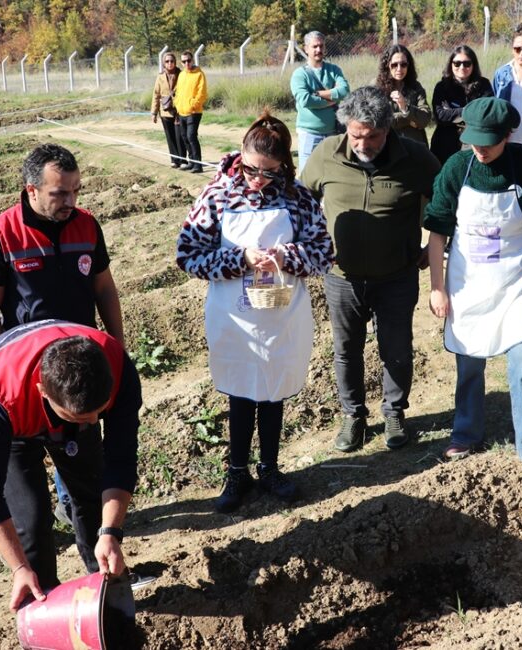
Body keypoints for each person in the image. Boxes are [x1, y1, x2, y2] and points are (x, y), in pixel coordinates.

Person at [175, 114, 334, 513]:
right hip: (234, 316)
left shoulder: (298, 199)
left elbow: (324, 254)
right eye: (250, 169)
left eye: (268, 172)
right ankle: (237, 471)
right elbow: (188, 255)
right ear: (240, 158)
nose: (258, 180)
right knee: (242, 393)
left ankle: (270, 468)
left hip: (281, 315)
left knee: (274, 390)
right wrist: (239, 259)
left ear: (283, 165)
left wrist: (286, 254)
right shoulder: (216, 195)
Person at [423, 97, 522, 469]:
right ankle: (465, 434)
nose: (479, 148)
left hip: (514, 280)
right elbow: (436, 232)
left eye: (488, 141)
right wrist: (436, 286)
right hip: (468, 282)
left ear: (507, 135)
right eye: (474, 139)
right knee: (469, 363)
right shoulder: (456, 167)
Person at [0, 144, 125, 528]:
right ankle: (39, 518)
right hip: (31, 371)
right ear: (32, 191)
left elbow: (104, 289)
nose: (70, 201)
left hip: (80, 363)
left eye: (76, 190)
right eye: (59, 193)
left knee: (80, 446)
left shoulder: (87, 225)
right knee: (28, 451)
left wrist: (117, 348)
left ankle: (77, 509)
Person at [300, 87, 440, 452]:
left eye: (372, 136)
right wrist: (310, 245)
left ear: (388, 129)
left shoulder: (416, 158)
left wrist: (436, 246)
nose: (363, 143)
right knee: (346, 350)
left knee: (396, 348)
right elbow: (300, 202)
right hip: (341, 278)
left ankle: (394, 413)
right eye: (356, 134)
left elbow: (447, 202)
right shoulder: (326, 153)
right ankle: (354, 416)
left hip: (397, 275)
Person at [0, 320, 141, 611]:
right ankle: (45, 604)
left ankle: (101, 592)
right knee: (31, 519)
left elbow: (121, 459)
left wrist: (110, 532)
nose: (95, 422)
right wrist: (19, 567)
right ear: (43, 391)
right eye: (81, 416)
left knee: (90, 491)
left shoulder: (117, 366)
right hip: (16, 415)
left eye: (100, 411)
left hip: (61, 398)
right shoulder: (0, 396)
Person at [290, 31, 350, 173]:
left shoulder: (334, 70)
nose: (318, 50)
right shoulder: (300, 74)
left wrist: (320, 94)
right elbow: (306, 100)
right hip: (309, 135)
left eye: (321, 46)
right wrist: (332, 99)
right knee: (308, 176)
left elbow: (345, 91)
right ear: (306, 49)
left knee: (332, 175)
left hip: (333, 134)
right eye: (314, 46)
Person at [430, 45, 493, 165]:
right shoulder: (442, 87)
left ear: (473, 65)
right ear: (451, 64)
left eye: (467, 63)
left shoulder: (483, 85)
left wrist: (453, 113)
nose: (462, 67)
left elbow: (486, 114)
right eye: (457, 63)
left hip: (476, 147)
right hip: (444, 146)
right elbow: (441, 116)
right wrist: (471, 111)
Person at [376, 44, 431, 145]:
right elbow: (379, 121)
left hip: (415, 146)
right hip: (388, 146)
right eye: (394, 65)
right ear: (387, 65)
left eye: (403, 64)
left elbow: (425, 119)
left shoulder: (415, 87)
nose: (399, 69)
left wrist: (405, 107)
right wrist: (409, 119)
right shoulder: (377, 89)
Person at [151, 52, 186, 169]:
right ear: (163, 63)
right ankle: (174, 160)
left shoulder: (181, 74)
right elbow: (156, 95)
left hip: (179, 111)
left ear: (175, 62)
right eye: (167, 61)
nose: (169, 63)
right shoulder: (160, 77)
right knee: (170, 137)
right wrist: (154, 113)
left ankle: (183, 159)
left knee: (180, 136)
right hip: (165, 111)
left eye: (172, 61)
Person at [175, 51, 208, 173]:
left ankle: (198, 165)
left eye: (188, 60)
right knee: (184, 137)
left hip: (194, 112)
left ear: (192, 60)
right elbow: (178, 92)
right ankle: (192, 161)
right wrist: (177, 105)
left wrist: (192, 105)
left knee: (191, 136)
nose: (186, 63)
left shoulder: (199, 74)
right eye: (184, 61)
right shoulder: (182, 75)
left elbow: (202, 94)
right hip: (181, 111)